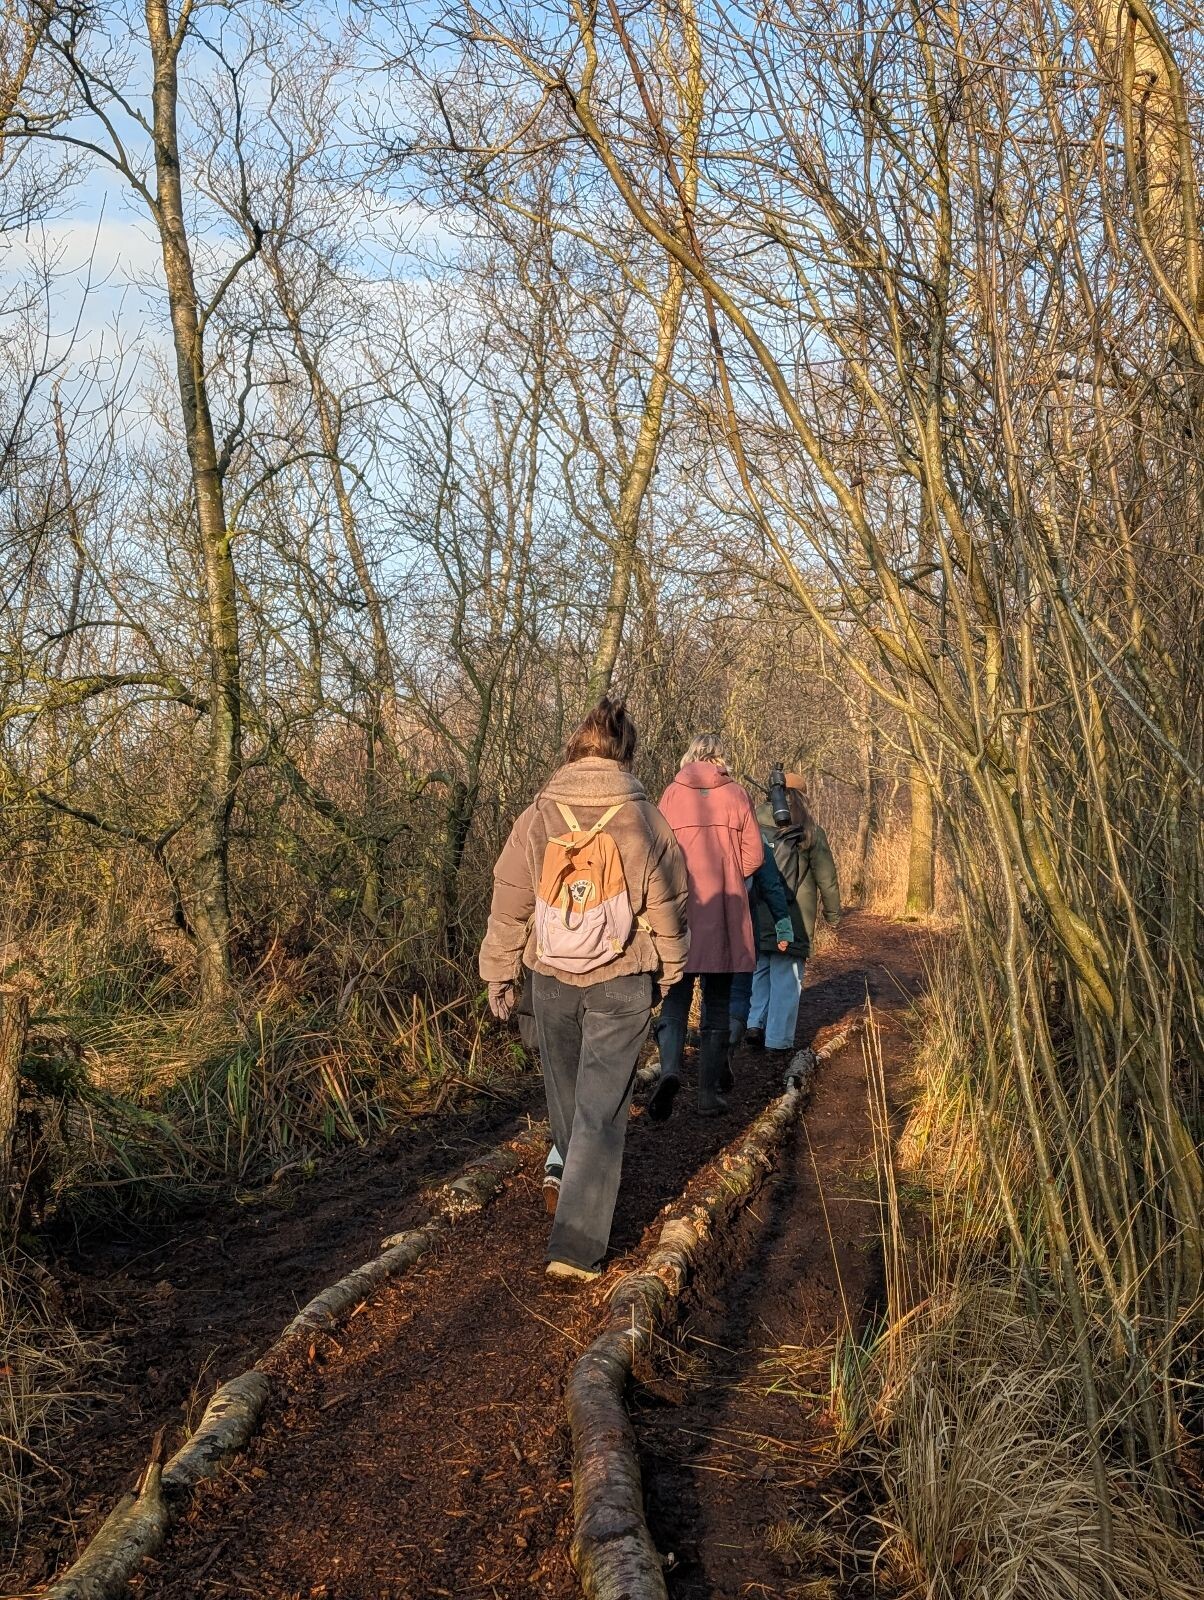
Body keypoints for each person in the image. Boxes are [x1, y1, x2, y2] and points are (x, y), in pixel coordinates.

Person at [479, 698, 689, 1282]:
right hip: (622, 980)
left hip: (551, 978)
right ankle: (575, 1249)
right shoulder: (646, 819)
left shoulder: (538, 814)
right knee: (601, 1109)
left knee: (567, 1101)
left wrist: (499, 972)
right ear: (626, 753)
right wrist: (671, 971)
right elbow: (670, 906)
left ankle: (570, 1186)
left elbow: (509, 899)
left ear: (574, 748)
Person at [651, 733, 764, 1118]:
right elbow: (755, 857)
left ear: (690, 756)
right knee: (716, 1003)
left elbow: (656, 854)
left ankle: (669, 1070)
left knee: (675, 996)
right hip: (723, 913)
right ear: (720, 758)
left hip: (680, 912)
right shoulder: (737, 794)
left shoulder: (671, 794)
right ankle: (707, 1095)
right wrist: (729, 875)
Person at [747, 775, 841, 1056]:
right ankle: (777, 1040)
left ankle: (753, 1023)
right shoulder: (810, 831)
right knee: (787, 977)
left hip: (758, 910)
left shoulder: (752, 825)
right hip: (795, 916)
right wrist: (832, 914)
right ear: (801, 797)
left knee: (760, 969)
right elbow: (827, 879)